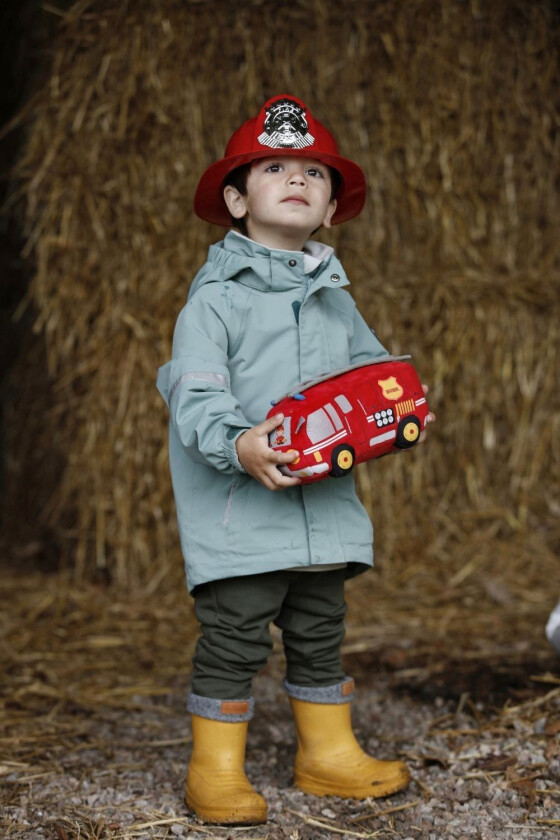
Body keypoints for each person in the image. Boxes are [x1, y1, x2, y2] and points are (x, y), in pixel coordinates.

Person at [157, 94, 434, 824]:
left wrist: (398, 402)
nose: (297, 179)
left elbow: (373, 374)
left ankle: (327, 754)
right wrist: (239, 441)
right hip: (241, 518)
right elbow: (194, 393)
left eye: (315, 172)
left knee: (320, 627)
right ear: (234, 197)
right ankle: (214, 768)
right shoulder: (214, 302)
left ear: (332, 210)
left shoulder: (337, 301)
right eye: (274, 166)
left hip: (323, 514)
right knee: (236, 633)